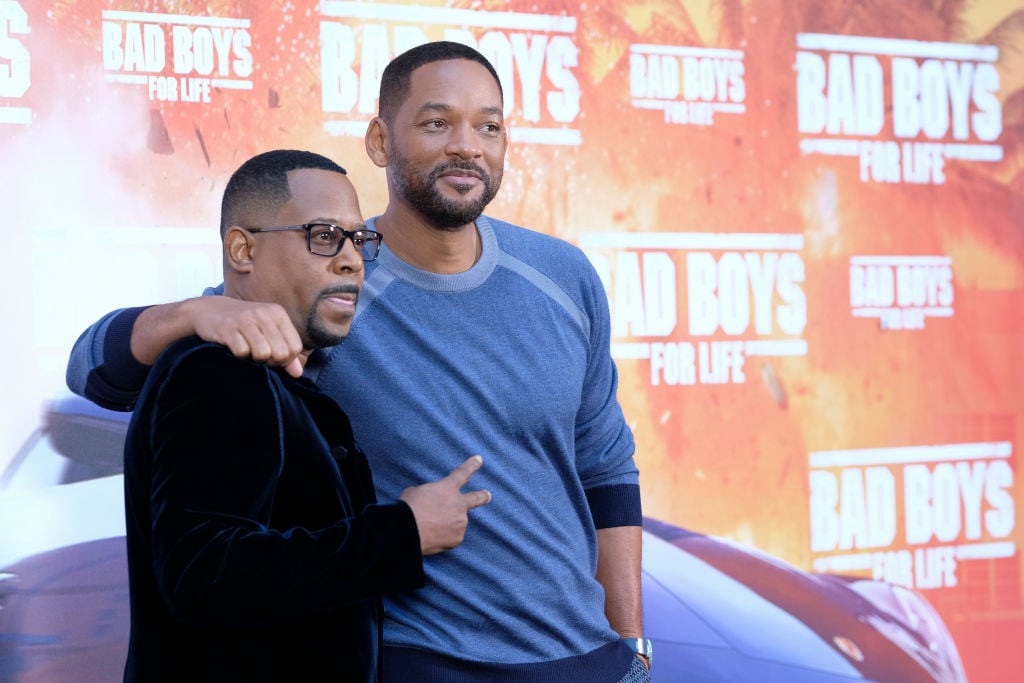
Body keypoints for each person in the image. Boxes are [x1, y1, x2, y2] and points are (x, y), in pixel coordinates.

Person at [69, 43, 651, 682]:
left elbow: (605, 468)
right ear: (380, 141)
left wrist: (631, 647)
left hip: (588, 659)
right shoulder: (329, 284)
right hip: (423, 661)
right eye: (437, 123)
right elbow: (94, 370)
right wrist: (191, 314)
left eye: (488, 126)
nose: (467, 146)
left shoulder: (564, 276)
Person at [119, 149, 490, 682]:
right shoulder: (219, 372)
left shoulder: (269, 379)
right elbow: (206, 576)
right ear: (243, 250)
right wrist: (402, 533)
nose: (352, 260)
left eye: (359, 239)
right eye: (324, 235)